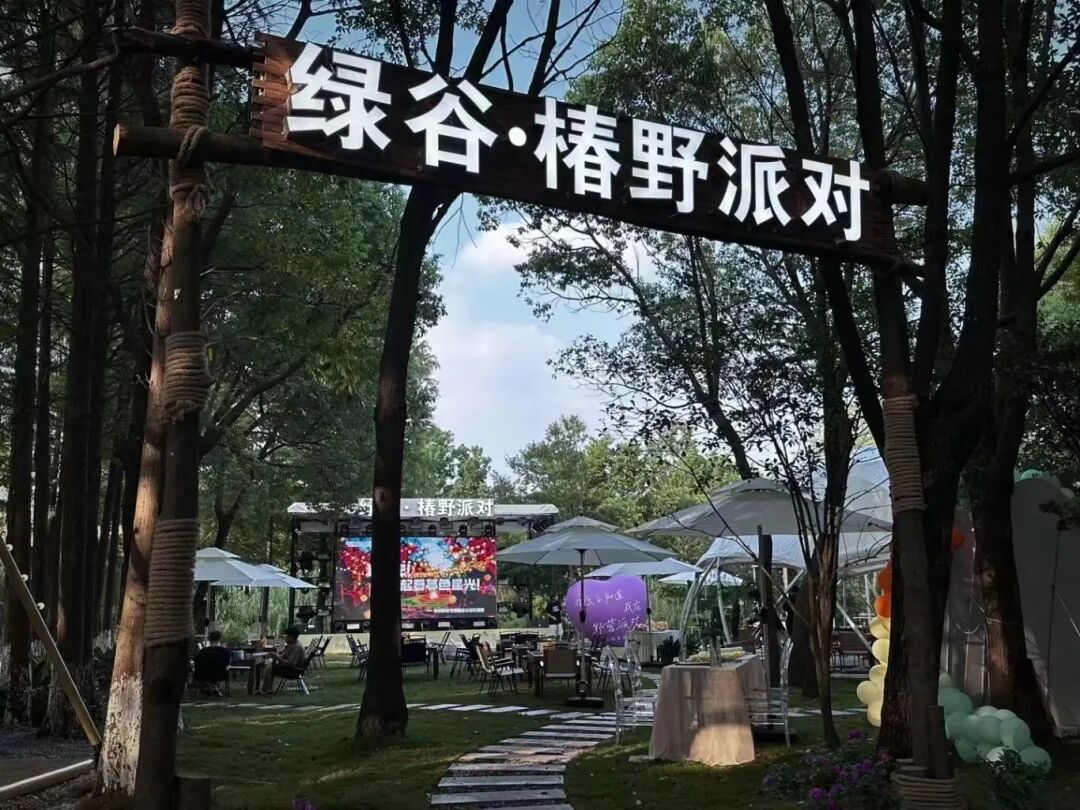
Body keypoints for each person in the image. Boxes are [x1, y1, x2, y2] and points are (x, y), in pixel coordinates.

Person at [258, 627, 307, 694]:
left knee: (269, 668)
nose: (285, 638)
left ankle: (265, 690)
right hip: (291, 668)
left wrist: (277, 657)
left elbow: (291, 663)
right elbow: (283, 656)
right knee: (270, 666)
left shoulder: (297, 647)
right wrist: (275, 655)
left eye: (286, 636)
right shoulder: (292, 645)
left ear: (291, 637)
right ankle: (268, 689)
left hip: (293, 671)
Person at [192, 631, 231, 696]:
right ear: (220, 639)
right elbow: (227, 663)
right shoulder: (226, 651)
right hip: (220, 674)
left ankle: (210, 686)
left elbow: (196, 661)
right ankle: (213, 686)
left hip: (204, 674)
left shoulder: (203, 651)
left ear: (209, 639)